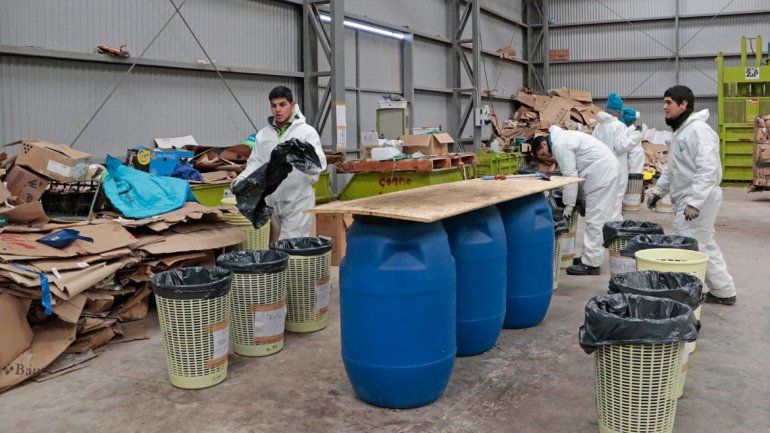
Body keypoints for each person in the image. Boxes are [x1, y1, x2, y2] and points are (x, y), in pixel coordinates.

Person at [647, 86, 736, 305]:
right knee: (703, 243)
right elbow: (672, 168)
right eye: (664, 102)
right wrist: (658, 191)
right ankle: (723, 291)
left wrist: (695, 202)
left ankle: (688, 295)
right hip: (689, 199)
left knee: (689, 244)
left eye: (669, 102)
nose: (664, 107)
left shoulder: (699, 131)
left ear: (683, 104)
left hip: (699, 200)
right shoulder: (681, 131)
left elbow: (708, 168)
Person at [233, 86, 326, 239]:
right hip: (272, 200)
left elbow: (320, 164)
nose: (278, 110)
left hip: (298, 199)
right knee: (278, 247)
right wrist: (242, 179)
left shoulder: (306, 132)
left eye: (282, 104)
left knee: (290, 246)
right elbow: (256, 162)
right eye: (274, 105)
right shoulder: (264, 135)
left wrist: (301, 158)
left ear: (292, 104)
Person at [530, 126, 621, 275]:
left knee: (595, 220)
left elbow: (570, 177)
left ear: (544, 144)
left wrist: (569, 206)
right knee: (595, 218)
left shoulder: (560, 145)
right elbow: (576, 172)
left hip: (602, 175)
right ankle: (588, 257)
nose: (545, 157)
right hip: (603, 171)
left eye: (543, 153)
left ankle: (591, 265)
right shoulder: (564, 138)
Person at [592, 93, 641, 221]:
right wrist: (636, 137)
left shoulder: (598, 126)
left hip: (600, 170)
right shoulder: (619, 126)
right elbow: (620, 147)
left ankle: (602, 229)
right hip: (616, 169)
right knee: (616, 201)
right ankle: (613, 232)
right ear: (618, 112)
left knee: (603, 202)